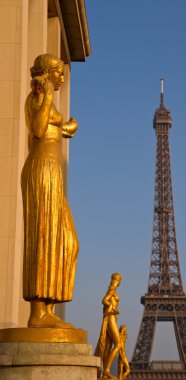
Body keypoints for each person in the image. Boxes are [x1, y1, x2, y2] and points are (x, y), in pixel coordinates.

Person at [21, 54, 79, 328]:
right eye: (59, 71)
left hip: (53, 170)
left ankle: (49, 309)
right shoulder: (36, 97)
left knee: (66, 241)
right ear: (47, 73)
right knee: (43, 235)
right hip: (41, 169)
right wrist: (45, 95)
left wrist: (66, 127)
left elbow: (52, 129)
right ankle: (38, 314)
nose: (63, 77)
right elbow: (37, 128)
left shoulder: (47, 101)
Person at [95, 273, 122, 379]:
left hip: (113, 318)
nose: (119, 282)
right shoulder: (112, 289)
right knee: (118, 344)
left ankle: (105, 370)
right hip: (111, 317)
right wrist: (112, 307)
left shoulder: (114, 289)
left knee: (108, 346)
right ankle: (106, 370)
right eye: (118, 280)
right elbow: (104, 300)